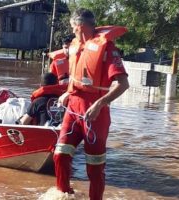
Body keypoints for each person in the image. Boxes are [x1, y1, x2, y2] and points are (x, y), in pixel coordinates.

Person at [53, 9, 129, 199]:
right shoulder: (75, 45)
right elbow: (75, 76)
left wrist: (99, 104)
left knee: (94, 168)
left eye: (72, 27)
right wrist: (67, 94)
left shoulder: (108, 49)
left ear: (79, 26)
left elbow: (123, 84)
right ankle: (64, 195)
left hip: (95, 114)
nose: (72, 31)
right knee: (60, 155)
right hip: (73, 109)